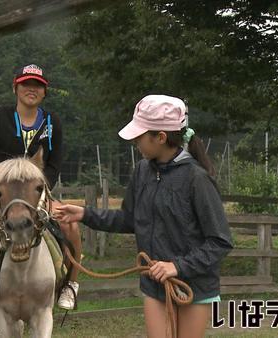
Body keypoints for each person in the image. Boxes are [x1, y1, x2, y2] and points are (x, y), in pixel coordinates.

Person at [54, 95, 233, 337]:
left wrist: (177, 266)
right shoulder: (142, 172)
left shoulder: (196, 179)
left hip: (194, 285)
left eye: (139, 136)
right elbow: (129, 220)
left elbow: (220, 241)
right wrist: (85, 214)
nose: (135, 142)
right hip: (154, 284)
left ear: (160, 137)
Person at [0, 64, 83, 310]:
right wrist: (3, 185)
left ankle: (70, 285)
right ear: (16, 88)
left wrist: (41, 190)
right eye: (26, 84)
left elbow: (54, 164)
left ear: (44, 92)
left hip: (38, 192)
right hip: (4, 192)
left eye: (37, 86)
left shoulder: (53, 122)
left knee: (70, 225)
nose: (31, 89)